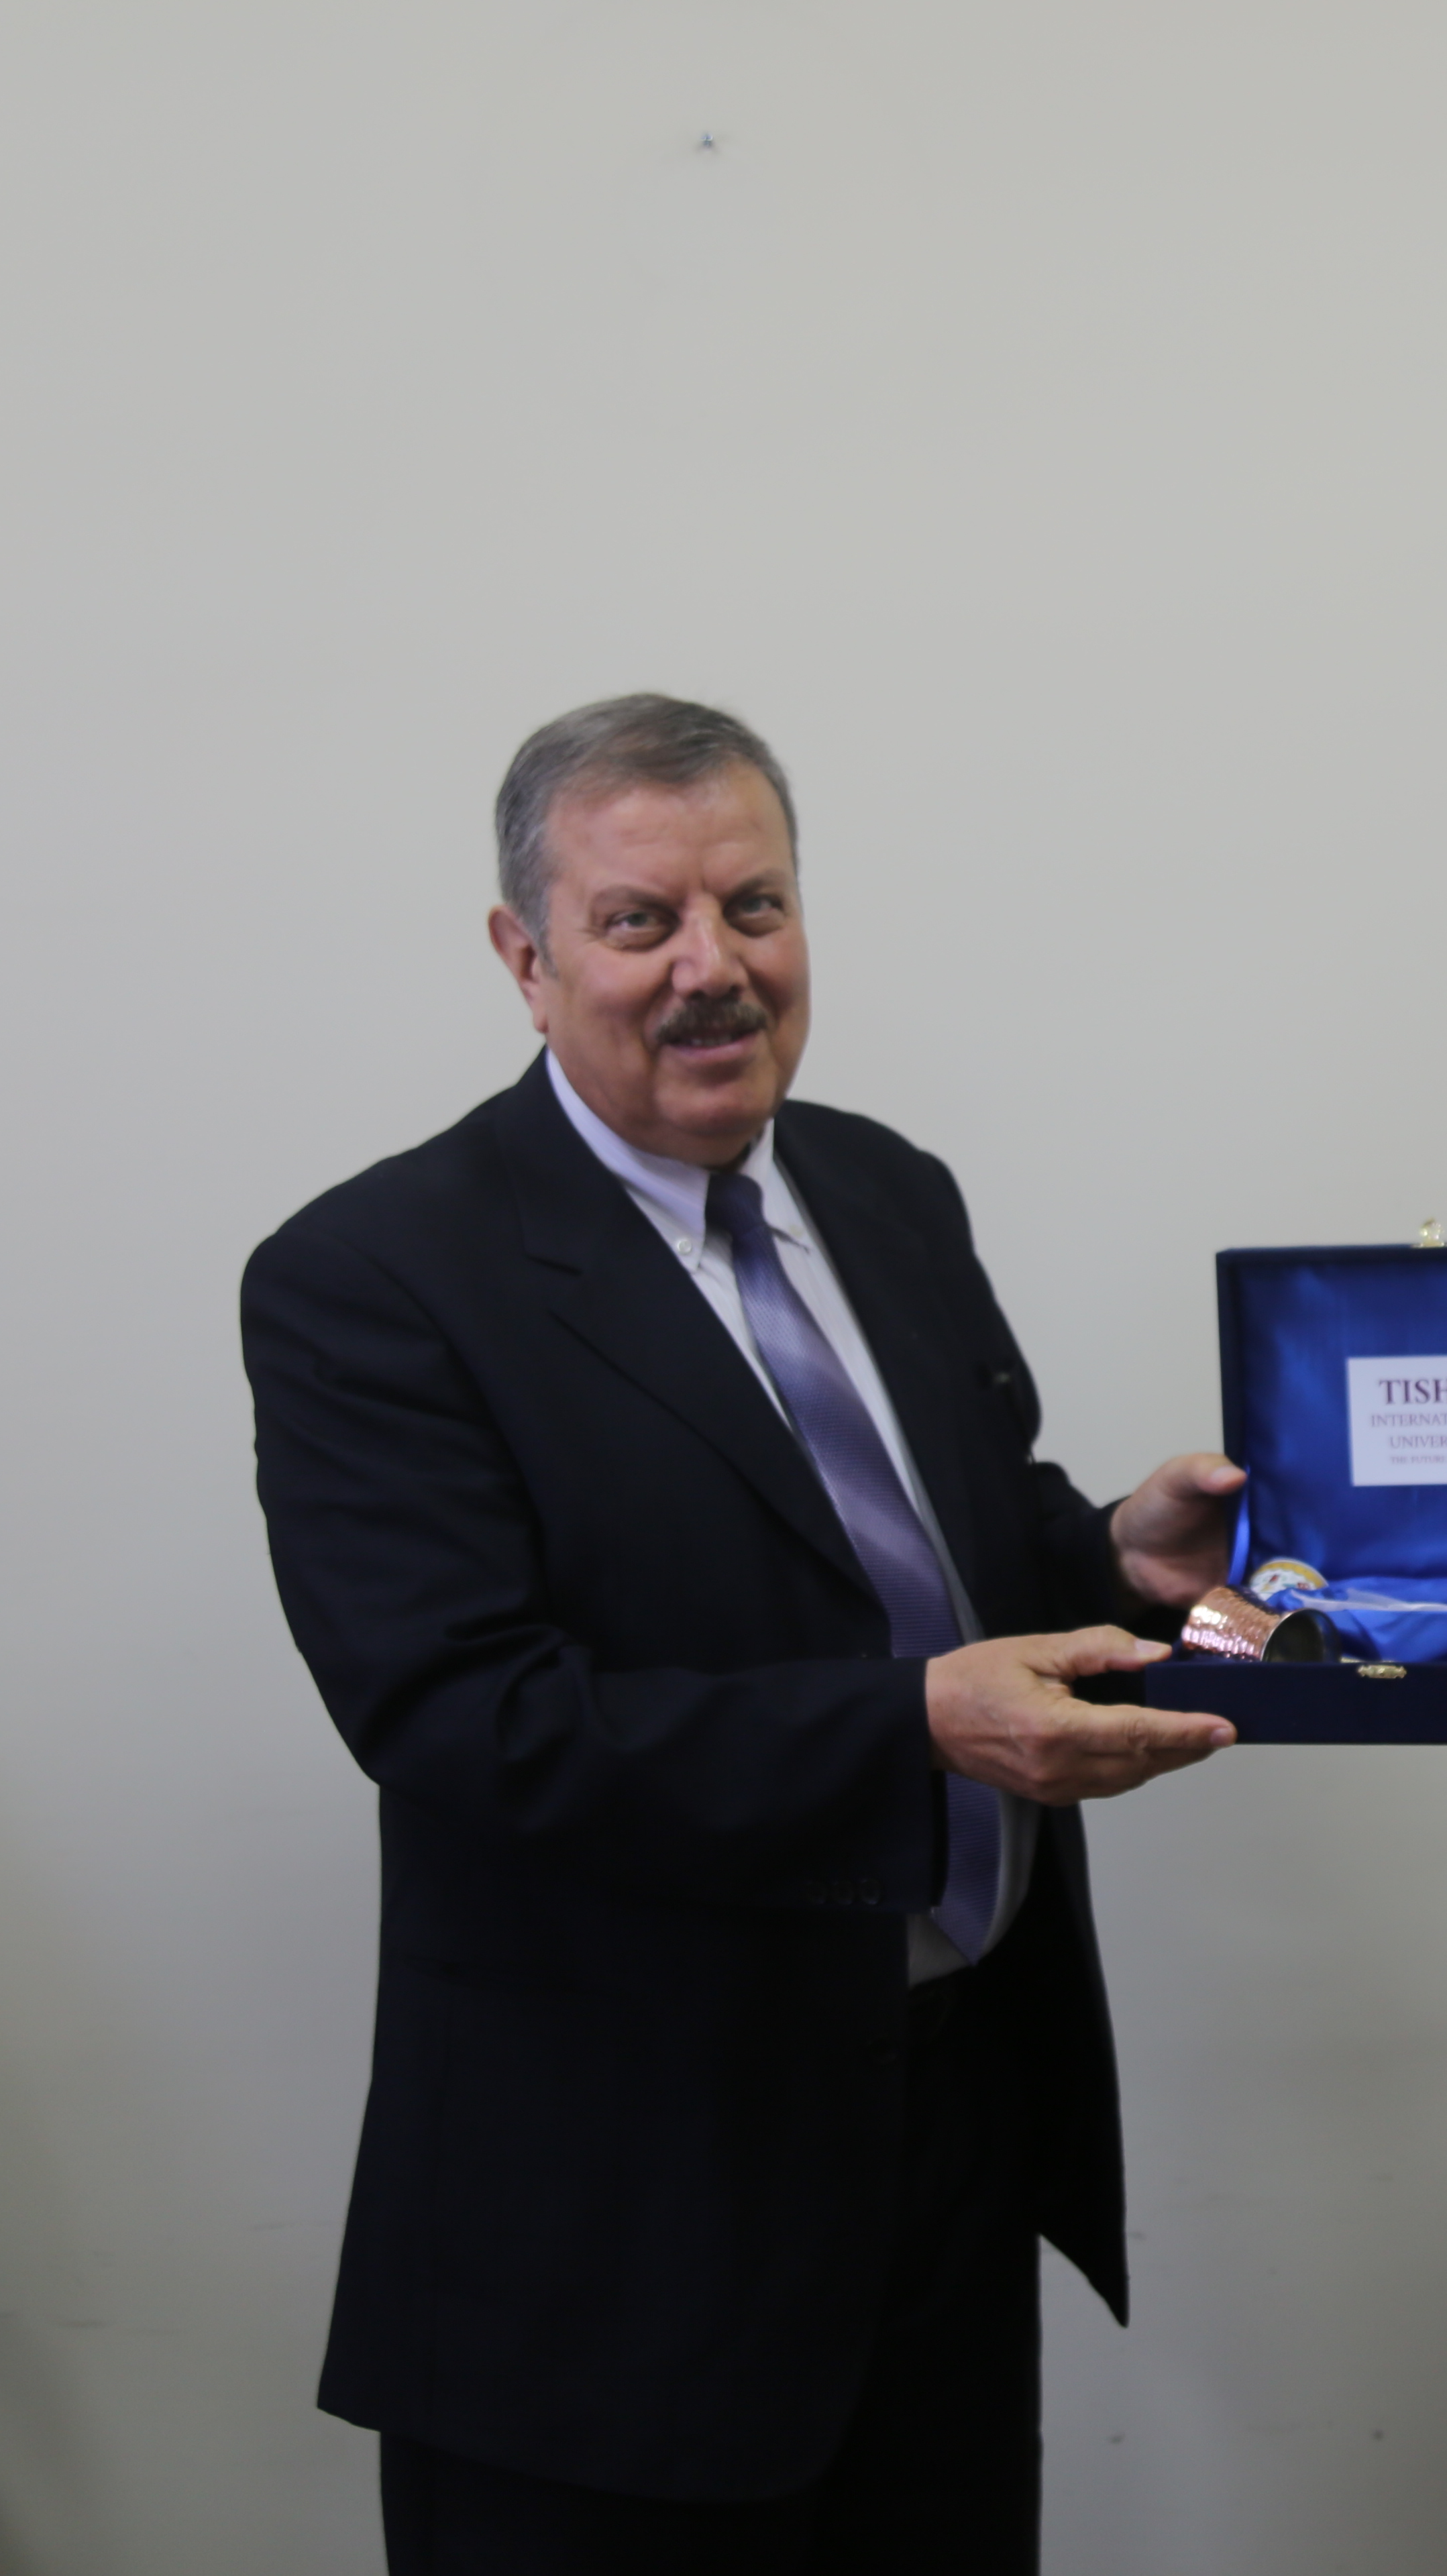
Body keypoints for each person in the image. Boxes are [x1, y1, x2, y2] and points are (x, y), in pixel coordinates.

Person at [239, 694, 1241, 2574]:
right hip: (616, 2238)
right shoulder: (374, 1279)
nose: (714, 968)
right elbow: (467, 1718)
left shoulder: (885, 1190)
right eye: (641, 922)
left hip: (944, 2153)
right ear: (525, 959)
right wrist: (914, 1726)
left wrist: (1120, 1553)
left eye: (755, 907)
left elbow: (951, 1549)